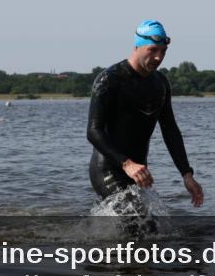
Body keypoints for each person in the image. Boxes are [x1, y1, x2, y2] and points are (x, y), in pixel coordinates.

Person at [87, 20, 203, 209]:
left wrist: (187, 175)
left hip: (139, 171)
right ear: (137, 47)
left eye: (163, 51)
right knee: (138, 224)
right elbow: (93, 131)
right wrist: (127, 164)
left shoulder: (160, 83)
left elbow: (170, 130)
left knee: (150, 230)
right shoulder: (109, 79)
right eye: (153, 50)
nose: (159, 57)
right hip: (108, 168)